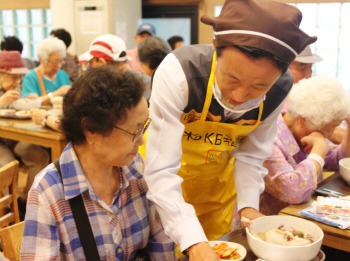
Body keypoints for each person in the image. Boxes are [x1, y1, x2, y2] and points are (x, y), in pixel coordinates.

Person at [143, 0, 317, 259]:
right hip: (163, 194)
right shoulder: (179, 74)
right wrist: (191, 239)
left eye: (259, 86)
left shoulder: (279, 87)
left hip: (216, 194)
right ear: (215, 48)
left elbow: (251, 155)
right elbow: (160, 169)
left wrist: (247, 206)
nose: (239, 96)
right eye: (232, 79)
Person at [20, 67, 176, 260]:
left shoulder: (136, 168)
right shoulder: (49, 191)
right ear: (90, 129)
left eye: (144, 127)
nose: (141, 141)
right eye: (134, 132)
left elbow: (161, 244)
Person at [259, 76, 350, 215]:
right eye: (328, 128)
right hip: (267, 224)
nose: (329, 135)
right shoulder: (268, 139)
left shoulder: (307, 132)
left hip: (299, 218)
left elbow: (338, 160)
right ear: (303, 120)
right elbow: (293, 193)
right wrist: (319, 151)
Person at [0, 51, 49, 215]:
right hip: (1, 143)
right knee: (9, 166)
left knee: (41, 157)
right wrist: (1, 101)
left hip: (15, 137)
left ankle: (24, 202)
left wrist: (30, 100)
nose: (17, 82)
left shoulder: (14, 88)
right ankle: (9, 210)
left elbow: (20, 105)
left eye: (19, 77)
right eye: (13, 77)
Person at [21, 37, 71, 105]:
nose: (59, 65)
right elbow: (30, 103)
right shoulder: (30, 78)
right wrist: (57, 93)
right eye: (55, 61)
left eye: (61, 61)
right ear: (42, 60)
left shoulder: (63, 75)